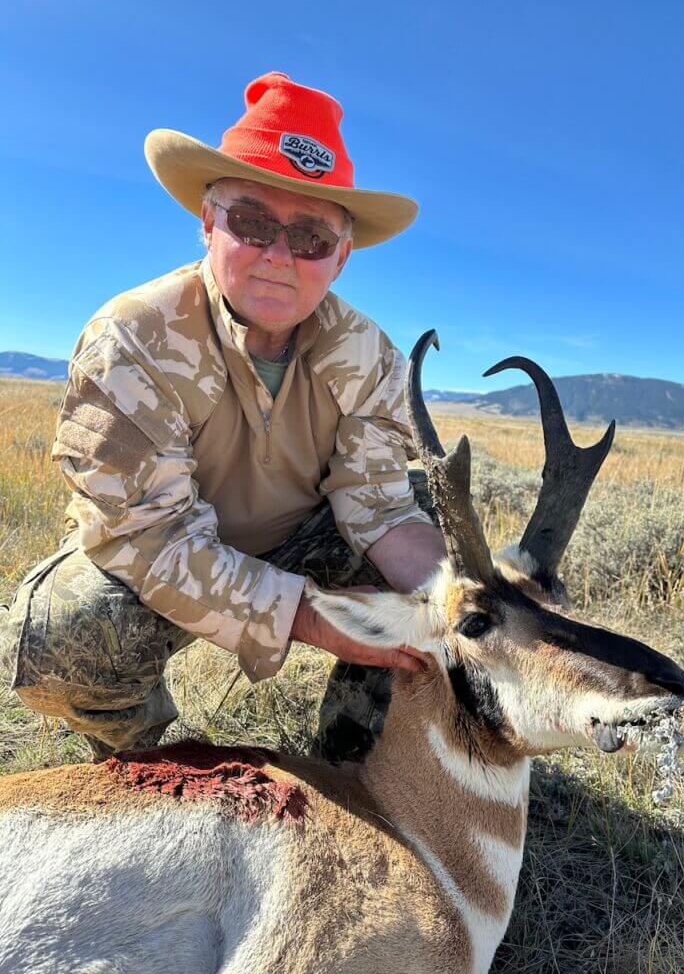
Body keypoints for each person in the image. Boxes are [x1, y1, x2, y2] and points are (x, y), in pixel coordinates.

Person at [0, 72, 445, 762]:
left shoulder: (369, 355)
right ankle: (143, 769)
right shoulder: (133, 338)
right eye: (252, 223)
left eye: (309, 237)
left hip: (301, 539)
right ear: (208, 222)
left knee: (432, 551)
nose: (277, 256)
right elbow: (156, 542)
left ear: (342, 257)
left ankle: (357, 757)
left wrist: (477, 609)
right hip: (156, 561)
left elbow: (380, 509)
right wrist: (318, 618)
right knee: (61, 633)